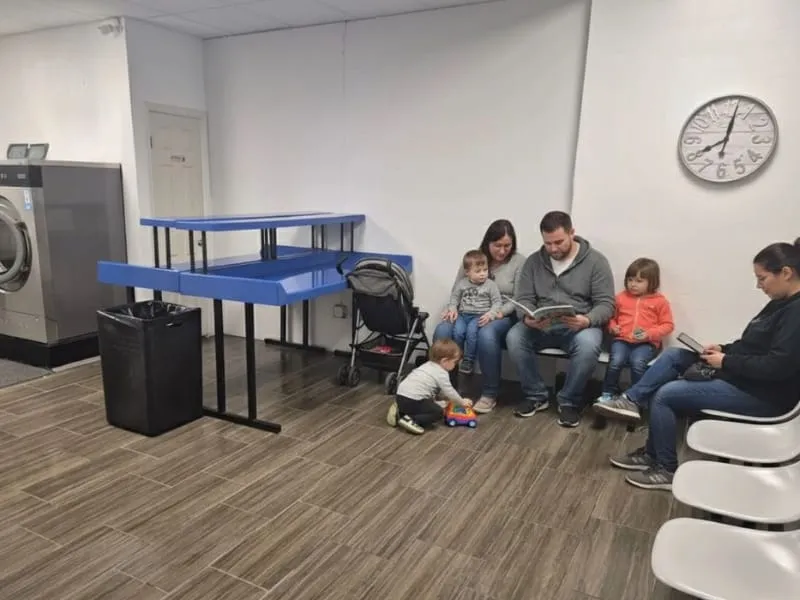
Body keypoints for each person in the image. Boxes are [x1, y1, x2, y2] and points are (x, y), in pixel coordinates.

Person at [607, 239, 800, 491]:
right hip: (742, 375)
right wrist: (723, 349)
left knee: (665, 395)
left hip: (763, 395)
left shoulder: (795, 312)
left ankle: (665, 469)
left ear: (785, 273)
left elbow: (776, 367)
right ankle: (632, 403)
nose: (758, 285)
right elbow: (753, 344)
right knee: (673, 356)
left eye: (762, 278)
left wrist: (726, 361)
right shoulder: (779, 303)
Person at [505, 211, 615, 428]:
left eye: (559, 242)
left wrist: (587, 319)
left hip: (578, 326)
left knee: (589, 345)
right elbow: (524, 298)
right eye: (548, 244)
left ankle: (569, 402)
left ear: (572, 233)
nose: (553, 249)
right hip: (541, 325)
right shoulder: (534, 262)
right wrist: (527, 318)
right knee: (515, 336)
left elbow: (606, 304)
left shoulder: (596, 262)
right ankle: (536, 395)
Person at [433, 220, 526, 414]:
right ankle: (443, 385)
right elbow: (457, 289)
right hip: (467, 311)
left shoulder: (518, 262)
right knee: (443, 329)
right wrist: (452, 309)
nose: (502, 251)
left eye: (507, 246)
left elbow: (518, 298)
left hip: (501, 313)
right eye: (497, 246)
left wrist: (499, 313)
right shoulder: (474, 258)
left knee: (486, 333)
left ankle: (489, 392)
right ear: (488, 243)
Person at [594, 258, 674, 406]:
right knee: (615, 361)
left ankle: (636, 398)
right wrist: (612, 326)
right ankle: (608, 392)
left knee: (638, 363)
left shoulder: (660, 301)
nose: (633, 284)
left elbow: (668, 325)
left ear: (652, 282)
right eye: (630, 279)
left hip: (646, 343)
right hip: (621, 340)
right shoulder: (620, 298)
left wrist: (649, 333)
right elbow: (610, 317)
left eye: (639, 281)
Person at [386, 339, 473, 435]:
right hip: (413, 400)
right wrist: (462, 401)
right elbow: (449, 391)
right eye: (455, 362)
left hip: (400, 396)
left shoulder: (427, 365)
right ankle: (412, 420)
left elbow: (438, 392)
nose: (456, 365)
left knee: (427, 402)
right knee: (438, 412)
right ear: (444, 361)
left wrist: (444, 400)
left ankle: (400, 411)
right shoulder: (441, 373)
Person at [442, 250, 502, 375]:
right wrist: (452, 308)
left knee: (471, 332)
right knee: (458, 332)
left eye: (485, 270)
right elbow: (454, 298)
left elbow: (497, 303)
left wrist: (490, 315)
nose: (482, 274)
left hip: (479, 316)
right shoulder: (462, 283)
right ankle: (457, 357)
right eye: (478, 271)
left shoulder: (491, 285)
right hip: (463, 315)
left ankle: (468, 360)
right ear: (467, 272)